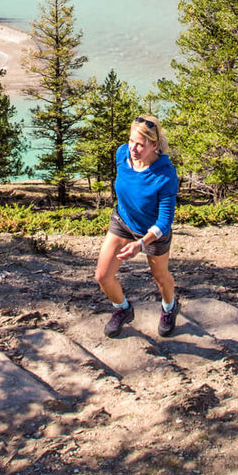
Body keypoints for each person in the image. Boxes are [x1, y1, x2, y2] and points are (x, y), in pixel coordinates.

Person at [95, 114, 179, 338]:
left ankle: (170, 307)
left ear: (154, 145)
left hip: (152, 233)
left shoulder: (165, 175)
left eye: (140, 145)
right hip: (122, 222)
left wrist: (140, 244)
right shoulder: (122, 154)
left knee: (160, 277)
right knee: (102, 276)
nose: (133, 148)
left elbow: (164, 221)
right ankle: (122, 309)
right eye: (131, 141)